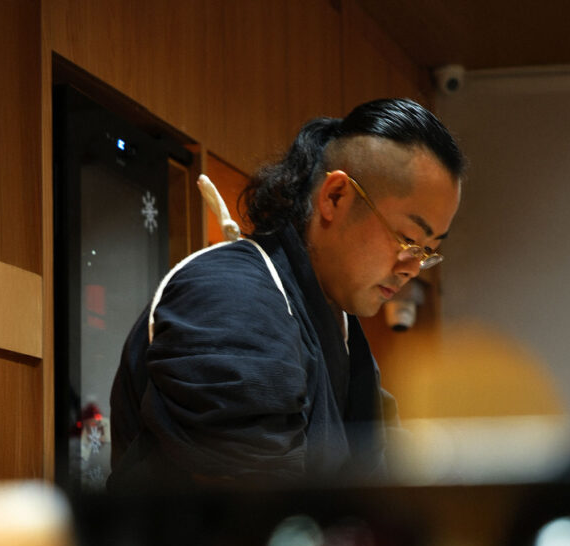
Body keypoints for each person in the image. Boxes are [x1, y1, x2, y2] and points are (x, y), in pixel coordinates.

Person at [107, 98, 464, 492]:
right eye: (409, 239)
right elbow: (256, 523)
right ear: (335, 197)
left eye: (427, 251)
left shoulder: (332, 318)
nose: (412, 266)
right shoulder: (233, 299)